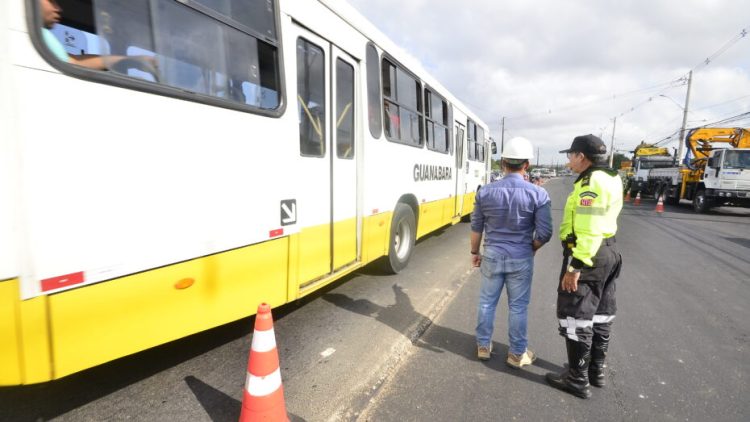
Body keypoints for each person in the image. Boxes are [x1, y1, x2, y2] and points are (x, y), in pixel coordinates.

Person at [546, 134, 623, 399]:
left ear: (581, 156)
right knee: (601, 313)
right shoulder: (612, 177)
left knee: (575, 316)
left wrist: (576, 265)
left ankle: (577, 379)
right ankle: (595, 371)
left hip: (589, 255)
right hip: (608, 252)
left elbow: (590, 227)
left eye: (571, 155)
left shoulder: (592, 183)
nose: (568, 160)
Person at [470, 137, 552, 368]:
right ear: (527, 165)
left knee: (486, 302)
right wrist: (531, 248)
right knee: (518, 306)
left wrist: (474, 252)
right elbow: (544, 233)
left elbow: (476, 226)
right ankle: (517, 354)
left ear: (503, 162)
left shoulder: (485, 192)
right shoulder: (538, 194)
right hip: (520, 257)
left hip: (493, 255)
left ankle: (483, 346)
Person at [39, 0, 156, 71]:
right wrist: (130, 60)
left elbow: (74, 59)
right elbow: (75, 63)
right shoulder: (40, 33)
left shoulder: (43, 35)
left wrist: (126, 59)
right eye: (51, 1)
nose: (58, 9)